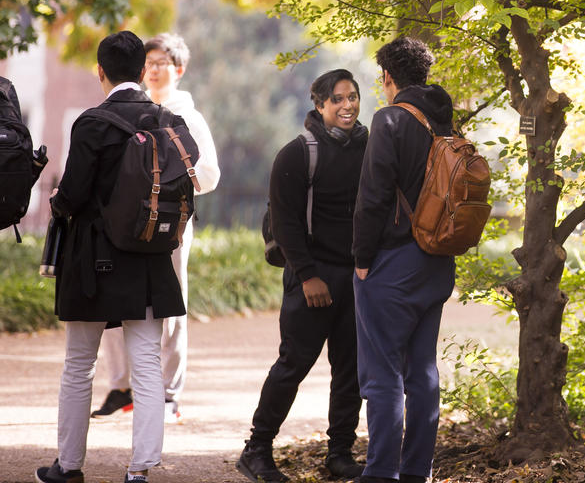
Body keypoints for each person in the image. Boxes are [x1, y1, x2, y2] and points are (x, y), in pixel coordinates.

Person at [38, 30, 187, 483]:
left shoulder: (92, 123)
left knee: (79, 365)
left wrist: (59, 203)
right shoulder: (166, 119)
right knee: (147, 365)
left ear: (99, 70)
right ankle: (140, 471)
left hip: (93, 260)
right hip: (150, 257)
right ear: (142, 71)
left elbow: (73, 193)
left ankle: (69, 466)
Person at [237, 69, 369, 483]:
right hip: (311, 277)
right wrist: (308, 276)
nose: (348, 105)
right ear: (319, 104)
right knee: (293, 365)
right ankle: (256, 450)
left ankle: (340, 453)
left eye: (353, 97)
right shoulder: (297, 154)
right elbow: (285, 223)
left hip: (356, 278)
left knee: (350, 370)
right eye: (338, 99)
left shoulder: (369, 148)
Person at [92, 33, 221, 424]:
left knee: (171, 302)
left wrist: (169, 181)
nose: (153, 69)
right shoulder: (130, 109)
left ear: (179, 69)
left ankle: (168, 393)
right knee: (117, 296)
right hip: (127, 221)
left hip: (171, 222)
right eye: (148, 62)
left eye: (162, 62)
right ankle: (121, 386)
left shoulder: (188, 117)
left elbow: (209, 173)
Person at [352, 37, 456, 483]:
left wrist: (361, 258)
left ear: (388, 77)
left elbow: (374, 195)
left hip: (393, 263)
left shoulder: (390, 119)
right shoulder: (446, 120)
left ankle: (380, 473)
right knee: (423, 371)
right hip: (438, 259)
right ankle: (416, 472)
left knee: (383, 373)